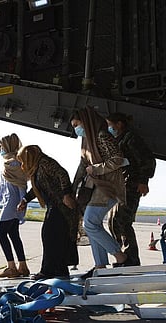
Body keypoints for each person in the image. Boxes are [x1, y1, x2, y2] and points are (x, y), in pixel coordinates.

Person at [70, 107, 129, 279]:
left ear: (86, 122)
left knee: (90, 222)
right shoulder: (86, 141)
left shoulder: (102, 136)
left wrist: (96, 168)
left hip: (109, 186)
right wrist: (72, 188)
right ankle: (100, 267)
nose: (76, 129)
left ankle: (120, 256)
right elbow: (83, 165)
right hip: (96, 186)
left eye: (77, 125)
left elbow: (118, 159)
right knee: (93, 223)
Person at [17, 145, 79, 280]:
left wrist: (66, 194)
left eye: (23, 161)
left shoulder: (45, 163)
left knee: (50, 236)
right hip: (54, 205)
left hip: (61, 206)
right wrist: (25, 200)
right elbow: (37, 188)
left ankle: (48, 270)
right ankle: (60, 270)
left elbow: (62, 174)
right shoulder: (37, 168)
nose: (22, 165)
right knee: (55, 238)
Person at [106, 112, 156, 266]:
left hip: (132, 185)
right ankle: (124, 257)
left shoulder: (131, 139)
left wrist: (143, 181)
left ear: (119, 124)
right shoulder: (120, 139)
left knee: (122, 220)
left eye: (110, 125)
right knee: (113, 221)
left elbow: (148, 161)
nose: (109, 128)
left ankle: (131, 259)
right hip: (122, 185)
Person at [0, 134, 30, 278]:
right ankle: (23, 266)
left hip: (13, 202)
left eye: (1, 146)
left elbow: (21, 184)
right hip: (10, 201)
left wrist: (22, 201)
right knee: (13, 234)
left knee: (1, 232)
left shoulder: (14, 163)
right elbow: (3, 186)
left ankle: (11, 267)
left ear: (7, 146)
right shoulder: (9, 163)